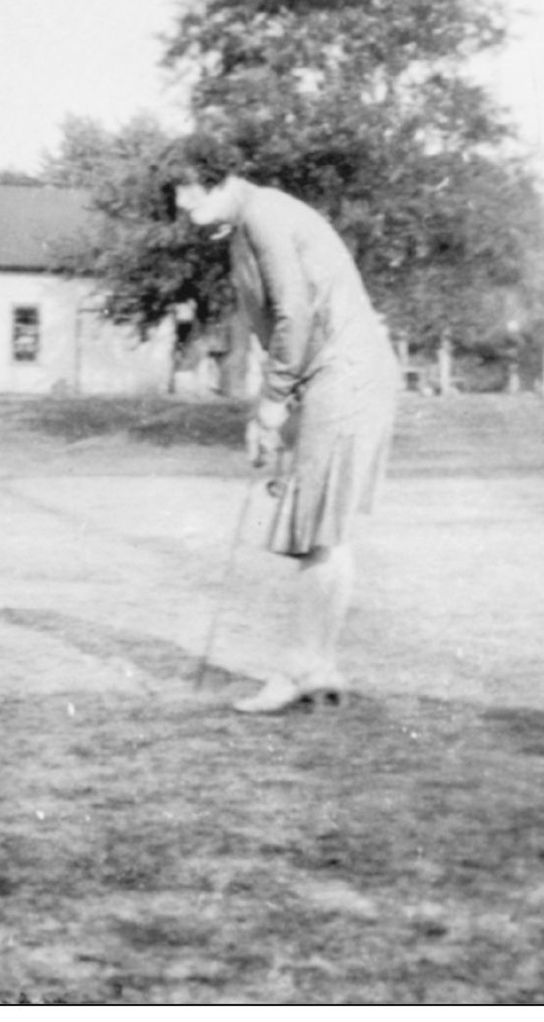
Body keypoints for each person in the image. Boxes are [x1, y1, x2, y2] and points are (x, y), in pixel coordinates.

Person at [173, 136, 399, 714]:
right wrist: (270, 410)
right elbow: (279, 324)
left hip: (345, 377)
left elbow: (293, 313)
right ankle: (317, 666)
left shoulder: (266, 215)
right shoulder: (246, 224)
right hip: (336, 378)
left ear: (219, 179)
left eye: (187, 190)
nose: (180, 203)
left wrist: (273, 401)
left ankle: (298, 669)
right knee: (325, 532)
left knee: (314, 531)